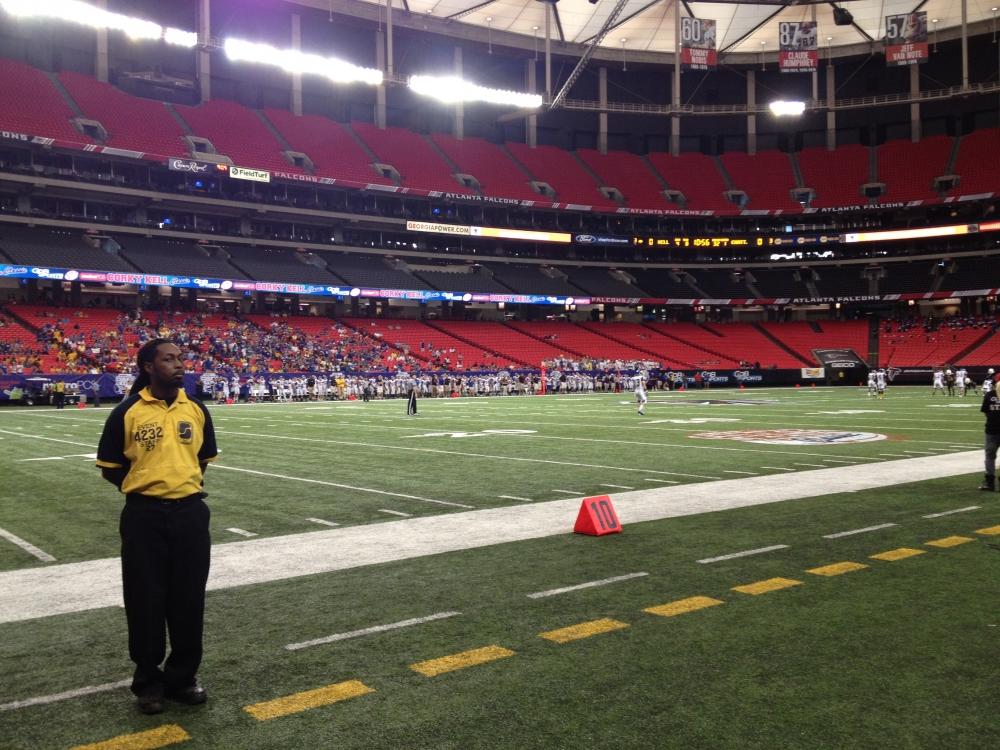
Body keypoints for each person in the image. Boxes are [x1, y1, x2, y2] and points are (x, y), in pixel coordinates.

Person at [96, 339, 218, 715]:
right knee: (145, 601)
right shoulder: (127, 411)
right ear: (148, 366)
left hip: (190, 515)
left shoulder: (195, 409)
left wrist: (177, 487)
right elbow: (111, 467)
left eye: (181, 359)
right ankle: (148, 682)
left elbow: (203, 459)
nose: (179, 365)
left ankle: (182, 678)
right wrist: (150, 490)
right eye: (169, 359)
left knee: (188, 599)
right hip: (144, 517)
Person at [980, 373, 1000, 491]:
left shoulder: (989, 395)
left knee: (989, 456)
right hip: (992, 430)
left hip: (992, 430)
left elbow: (986, 412)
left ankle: (989, 482)